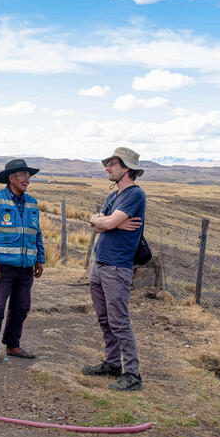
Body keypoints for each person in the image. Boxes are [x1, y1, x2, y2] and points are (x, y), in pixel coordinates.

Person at [82, 147, 146, 391]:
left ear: (126, 168)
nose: (107, 168)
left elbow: (104, 222)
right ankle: (111, 363)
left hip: (117, 267)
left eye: (111, 163)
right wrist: (106, 223)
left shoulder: (134, 195)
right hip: (100, 265)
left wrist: (107, 223)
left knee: (119, 321)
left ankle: (132, 374)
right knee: (104, 318)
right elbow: (96, 222)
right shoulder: (113, 197)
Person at [0, 159, 45, 364]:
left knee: (21, 307)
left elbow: (37, 234)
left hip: (26, 267)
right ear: (12, 178)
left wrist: (39, 259)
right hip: (2, 267)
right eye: (23, 175)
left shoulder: (32, 203)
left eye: (28, 175)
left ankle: (13, 345)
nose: (27, 180)